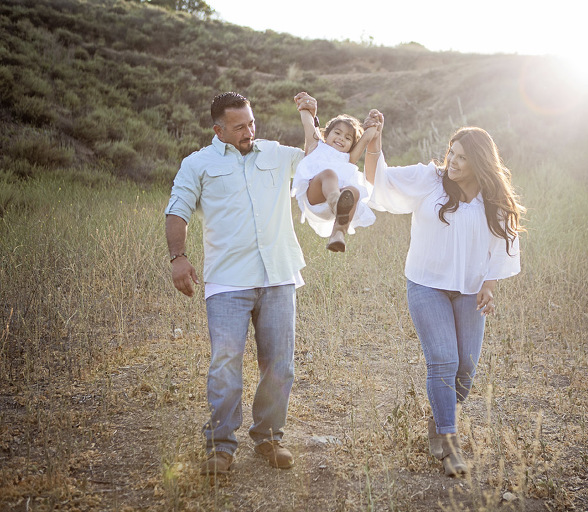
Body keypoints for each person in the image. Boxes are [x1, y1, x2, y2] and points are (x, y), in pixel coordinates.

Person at [165, 91, 319, 475]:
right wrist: (178, 257)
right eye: (239, 127)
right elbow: (178, 210)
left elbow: (317, 160)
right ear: (218, 130)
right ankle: (220, 446)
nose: (249, 131)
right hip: (228, 281)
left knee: (280, 365)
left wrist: (309, 117)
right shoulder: (198, 164)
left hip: (278, 275)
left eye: (251, 123)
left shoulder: (276, 154)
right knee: (225, 366)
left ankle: (269, 437)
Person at [363, 111, 525, 477]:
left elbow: (504, 242)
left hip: (470, 289)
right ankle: (451, 445)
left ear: (479, 162)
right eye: (451, 152)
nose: (452, 161)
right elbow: (380, 181)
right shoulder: (430, 180)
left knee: (465, 366)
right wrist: (375, 142)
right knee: (442, 360)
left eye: (462, 157)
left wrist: (489, 285)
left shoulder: (493, 197)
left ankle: (439, 421)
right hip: (426, 284)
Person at [291, 93, 377, 252]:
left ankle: (338, 234)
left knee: (354, 191)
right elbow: (307, 123)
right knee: (329, 174)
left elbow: (365, 139)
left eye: (348, 138)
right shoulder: (316, 146)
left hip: (337, 211)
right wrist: (304, 105)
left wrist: (373, 124)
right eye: (337, 133)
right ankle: (337, 203)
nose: (341, 138)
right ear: (325, 135)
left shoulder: (348, 158)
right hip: (316, 198)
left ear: (351, 145)